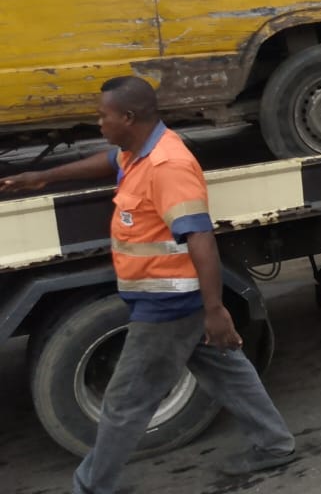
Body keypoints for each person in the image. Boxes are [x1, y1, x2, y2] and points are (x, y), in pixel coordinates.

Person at [0, 77, 296, 493]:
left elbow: (200, 237)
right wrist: (43, 177)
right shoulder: (139, 151)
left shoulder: (167, 166)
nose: (98, 122)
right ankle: (275, 444)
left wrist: (215, 310)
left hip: (168, 305)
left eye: (103, 115)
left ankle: (91, 486)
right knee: (228, 372)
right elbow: (108, 161)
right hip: (162, 298)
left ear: (129, 117)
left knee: (124, 401)